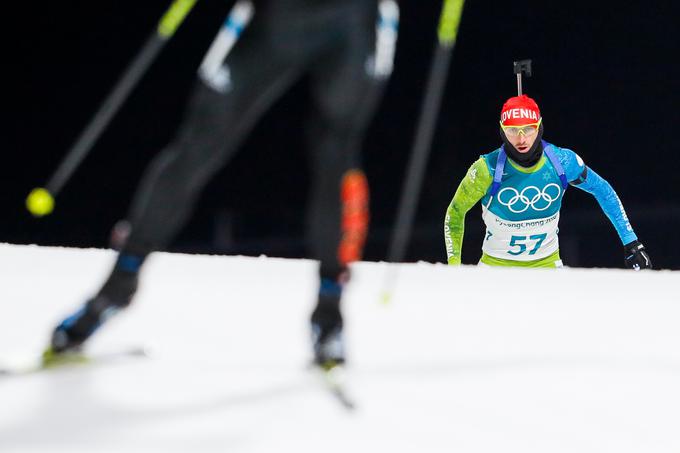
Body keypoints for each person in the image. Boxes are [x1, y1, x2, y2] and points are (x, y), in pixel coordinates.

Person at [44, 0, 400, 369]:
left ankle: (329, 315)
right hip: (272, 20)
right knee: (195, 148)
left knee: (337, 157)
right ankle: (118, 286)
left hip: (353, 23)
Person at [444, 94, 652, 270]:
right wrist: (454, 268)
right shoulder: (486, 169)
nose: (521, 138)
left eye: (528, 129)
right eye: (512, 130)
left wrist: (631, 242)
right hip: (495, 269)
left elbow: (602, 189)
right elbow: (455, 213)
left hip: (547, 269)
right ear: (502, 130)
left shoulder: (561, 162)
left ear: (539, 126)